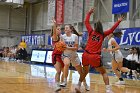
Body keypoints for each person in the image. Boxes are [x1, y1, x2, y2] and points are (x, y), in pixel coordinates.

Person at [75, 7, 123, 93]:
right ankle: (108, 90)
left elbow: (86, 22)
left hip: (85, 54)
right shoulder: (103, 34)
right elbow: (112, 30)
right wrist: (118, 21)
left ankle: (78, 86)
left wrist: (89, 13)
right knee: (104, 72)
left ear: (95, 27)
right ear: (101, 27)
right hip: (94, 56)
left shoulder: (91, 31)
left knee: (85, 71)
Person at [60, 24, 89, 91]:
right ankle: (65, 81)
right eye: (65, 28)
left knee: (80, 72)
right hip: (66, 55)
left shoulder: (75, 36)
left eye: (67, 28)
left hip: (74, 56)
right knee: (66, 64)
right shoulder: (62, 36)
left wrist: (67, 47)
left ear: (71, 29)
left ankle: (85, 84)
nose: (65, 29)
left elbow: (76, 48)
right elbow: (62, 47)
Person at [51, 18, 64, 92]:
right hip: (56, 55)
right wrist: (54, 24)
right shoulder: (55, 37)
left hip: (61, 56)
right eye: (58, 29)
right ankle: (56, 85)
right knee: (58, 71)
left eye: (60, 29)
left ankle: (61, 83)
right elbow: (54, 32)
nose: (60, 30)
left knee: (65, 71)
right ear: (55, 30)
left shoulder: (62, 37)